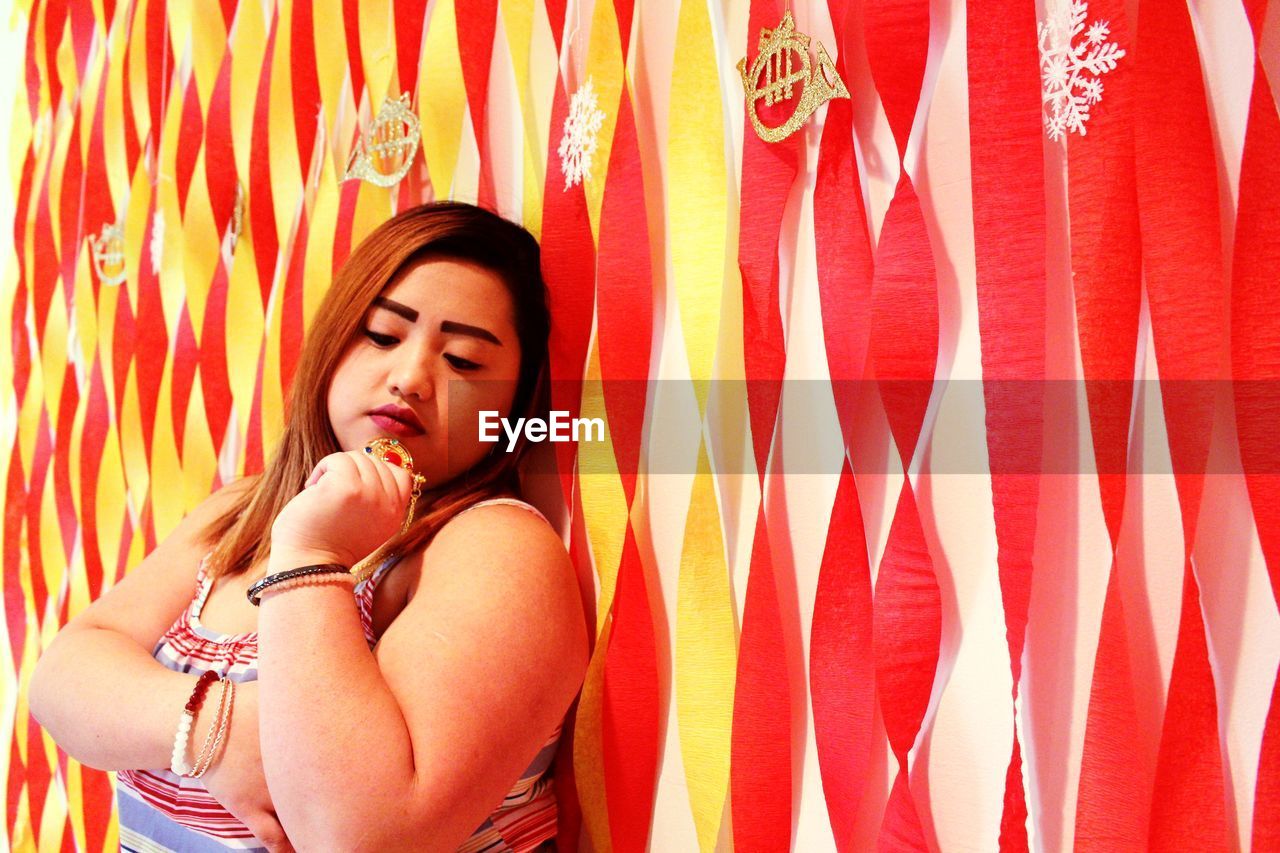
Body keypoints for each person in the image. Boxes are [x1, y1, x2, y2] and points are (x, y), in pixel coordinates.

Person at [29, 201, 590, 852]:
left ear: (515, 406)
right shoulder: (244, 511)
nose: (409, 378)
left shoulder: (496, 546)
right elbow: (61, 678)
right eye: (382, 334)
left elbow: (365, 834)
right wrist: (216, 728)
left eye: (464, 360)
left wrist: (312, 554)